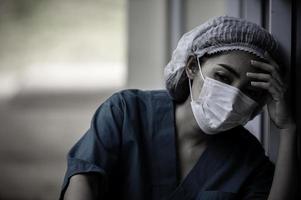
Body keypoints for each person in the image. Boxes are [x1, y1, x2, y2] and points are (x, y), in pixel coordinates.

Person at [59, 16, 298, 200]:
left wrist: (288, 129)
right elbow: (84, 180)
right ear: (192, 67)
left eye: (250, 90)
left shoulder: (247, 159)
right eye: (223, 77)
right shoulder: (126, 113)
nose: (234, 96)